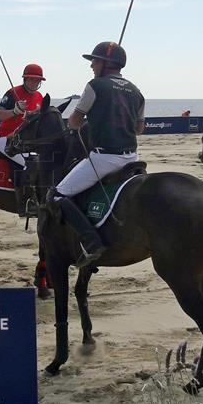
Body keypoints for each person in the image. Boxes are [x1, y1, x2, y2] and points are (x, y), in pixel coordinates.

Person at [49, 42, 145, 268]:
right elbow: (139, 129)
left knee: (57, 195)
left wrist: (87, 121)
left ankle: (91, 242)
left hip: (104, 159)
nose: (92, 65)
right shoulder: (136, 91)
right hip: (132, 158)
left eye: (95, 60)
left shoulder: (95, 85)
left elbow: (74, 121)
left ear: (107, 63)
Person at [0, 63, 46, 165]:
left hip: (26, 141)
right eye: (31, 79)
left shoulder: (40, 96)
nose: (34, 83)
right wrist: (14, 111)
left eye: (37, 80)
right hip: (6, 138)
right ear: (25, 79)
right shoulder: (13, 93)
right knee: (29, 164)